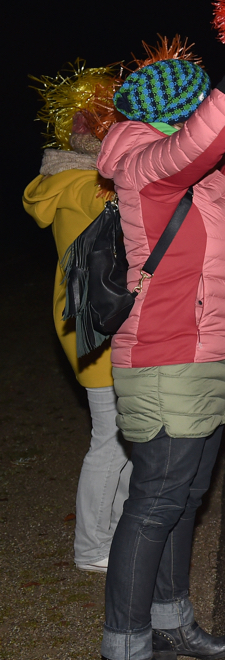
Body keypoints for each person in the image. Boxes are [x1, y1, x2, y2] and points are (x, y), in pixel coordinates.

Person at [95, 57, 225, 660]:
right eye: (200, 105)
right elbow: (210, 133)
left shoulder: (197, 172)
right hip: (165, 357)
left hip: (205, 354)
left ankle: (171, 625)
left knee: (187, 495)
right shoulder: (148, 165)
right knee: (154, 504)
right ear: (177, 110)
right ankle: (125, 655)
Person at [23, 110, 133, 573]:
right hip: (98, 325)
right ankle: (92, 547)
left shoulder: (60, 179)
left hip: (84, 321)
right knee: (111, 437)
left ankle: (118, 535)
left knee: (128, 436)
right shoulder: (91, 187)